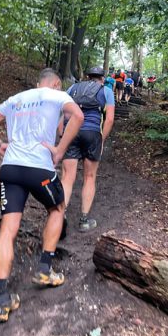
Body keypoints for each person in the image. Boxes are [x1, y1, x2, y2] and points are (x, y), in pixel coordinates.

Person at [0, 68, 84, 323]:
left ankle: (2, 299)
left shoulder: (17, 99)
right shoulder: (57, 96)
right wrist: (60, 150)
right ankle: (45, 268)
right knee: (57, 208)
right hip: (39, 168)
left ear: (38, 83)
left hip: (10, 168)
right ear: (56, 83)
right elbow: (77, 116)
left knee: (8, 229)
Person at [61, 66, 115, 232]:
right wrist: (101, 139)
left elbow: (63, 113)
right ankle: (84, 220)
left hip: (72, 131)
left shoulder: (73, 88)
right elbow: (110, 119)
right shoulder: (106, 91)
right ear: (102, 78)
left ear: (87, 76)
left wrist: (63, 135)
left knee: (67, 176)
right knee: (89, 177)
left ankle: (59, 215)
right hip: (92, 133)